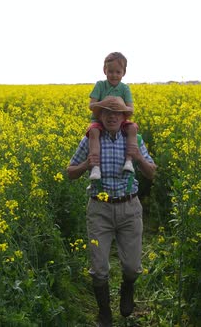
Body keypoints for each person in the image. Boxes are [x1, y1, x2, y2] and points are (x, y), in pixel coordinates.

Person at [67, 106, 157, 327]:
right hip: (99, 210)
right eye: (107, 112)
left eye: (117, 112)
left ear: (124, 116)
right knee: (99, 270)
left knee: (132, 267)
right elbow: (70, 172)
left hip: (129, 209)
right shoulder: (90, 139)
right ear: (100, 116)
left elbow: (151, 172)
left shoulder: (133, 139)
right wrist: (86, 165)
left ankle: (127, 288)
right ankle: (104, 313)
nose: (112, 116)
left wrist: (138, 157)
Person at [87, 52, 140, 181]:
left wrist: (120, 106)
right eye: (110, 71)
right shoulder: (100, 85)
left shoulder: (125, 89)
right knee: (93, 131)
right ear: (104, 70)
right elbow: (91, 106)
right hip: (99, 121)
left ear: (124, 73)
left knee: (133, 128)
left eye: (118, 72)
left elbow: (130, 109)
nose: (114, 75)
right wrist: (103, 103)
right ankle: (95, 167)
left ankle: (128, 161)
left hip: (118, 121)